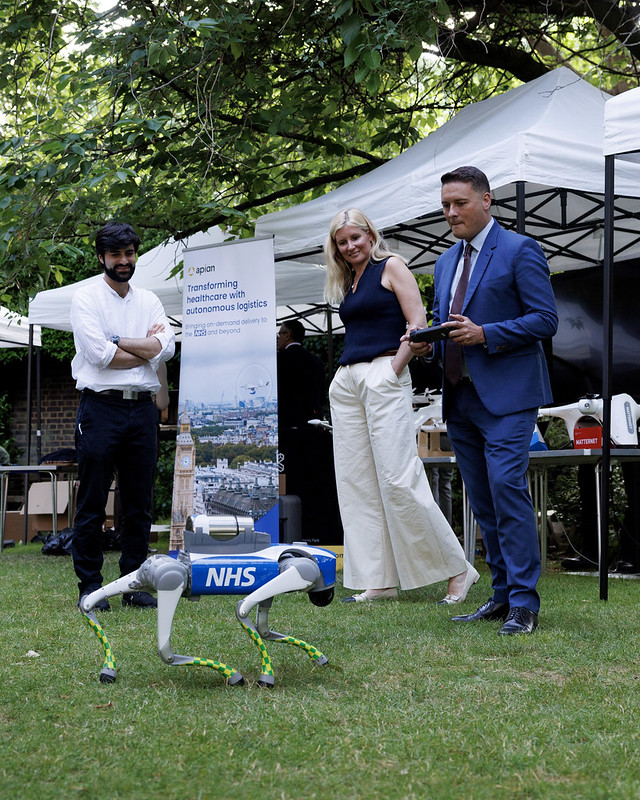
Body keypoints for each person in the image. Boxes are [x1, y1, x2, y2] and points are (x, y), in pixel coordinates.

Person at [407, 166, 558, 635]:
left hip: (509, 396)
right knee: (482, 500)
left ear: (487, 200)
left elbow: (545, 320)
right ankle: (499, 596)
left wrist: (486, 333)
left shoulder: (519, 249)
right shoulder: (445, 261)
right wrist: (428, 342)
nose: (451, 213)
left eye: (460, 203)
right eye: (445, 206)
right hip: (460, 397)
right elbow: (445, 321)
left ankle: (524, 604)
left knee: (507, 489)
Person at [324, 208, 479, 604]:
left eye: (355, 238)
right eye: (342, 242)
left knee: (397, 477)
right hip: (348, 380)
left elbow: (418, 324)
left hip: (383, 372)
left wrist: (392, 370)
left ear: (370, 234)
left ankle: (458, 567)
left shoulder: (392, 266)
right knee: (358, 484)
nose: (350, 247)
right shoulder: (350, 279)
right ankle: (380, 580)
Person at [70, 221, 175, 611]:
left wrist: (119, 340)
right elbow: (99, 355)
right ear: (102, 257)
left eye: (129, 253)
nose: (123, 261)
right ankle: (92, 586)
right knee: (93, 500)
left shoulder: (148, 299)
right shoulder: (86, 298)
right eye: (115, 254)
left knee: (138, 503)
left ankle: (134, 582)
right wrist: (144, 348)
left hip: (141, 410)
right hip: (101, 407)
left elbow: (167, 348)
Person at [277, 319, 342, 544]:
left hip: (287, 432)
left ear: (288, 336)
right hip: (312, 430)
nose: (277, 338)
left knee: (290, 485)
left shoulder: (278, 360)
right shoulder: (314, 361)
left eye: (280, 333)